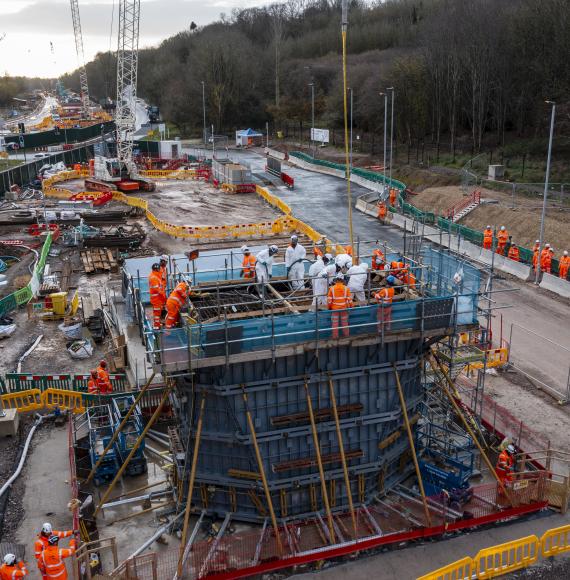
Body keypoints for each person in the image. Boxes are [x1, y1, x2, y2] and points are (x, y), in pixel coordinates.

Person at [327, 273, 353, 339]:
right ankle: (346, 336)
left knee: (335, 324)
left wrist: (329, 308)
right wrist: (351, 307)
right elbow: (349, 300)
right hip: (344, 308)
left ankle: (335, 337)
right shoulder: (346, 288)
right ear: (342, 280)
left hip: (335, 309)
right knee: (345, 323)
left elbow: (329, 301)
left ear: (336, 280)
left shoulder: (332, 288)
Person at [148, 262, 166, 329]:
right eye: (159, 269)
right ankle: (156, 327)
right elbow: (157, 289)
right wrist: (163, 295)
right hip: (156, 299)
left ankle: (157, 324)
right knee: (157, 314)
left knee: (158, 313)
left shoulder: (155, 276)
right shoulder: (153, 278)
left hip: (158, 299)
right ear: (156, 269)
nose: (159, 270)